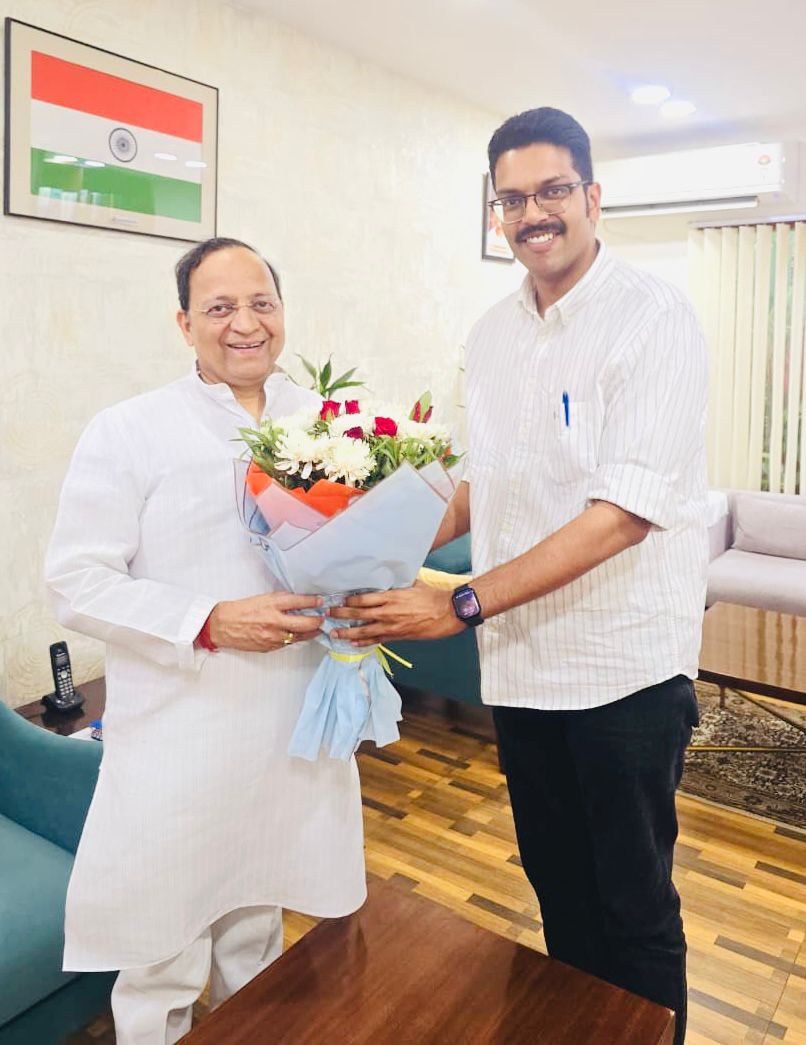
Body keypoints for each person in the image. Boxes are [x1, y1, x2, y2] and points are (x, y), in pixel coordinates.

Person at [332, 107, 707, 1043]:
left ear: (592, 196)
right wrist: (362, 548)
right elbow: (477, 484)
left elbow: (621, 514)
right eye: (512, 199)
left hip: (623, 671)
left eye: (552, 191)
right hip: (524, 672)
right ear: (497, 213)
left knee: (633, 907)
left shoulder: (655, 318)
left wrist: (458, 600)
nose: (532, 213)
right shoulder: (492, 333)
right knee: (559, 892)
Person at [45, 237, 366, 1044]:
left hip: (288, 723)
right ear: (185, 323)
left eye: (261, 303)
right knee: (164, 945)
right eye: (219, 308)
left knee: (258, 920)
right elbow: (75, 581)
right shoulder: (130, 429)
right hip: (180, 730)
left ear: (283, 312)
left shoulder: (327, 421)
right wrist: (210, 620)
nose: (245, 324)